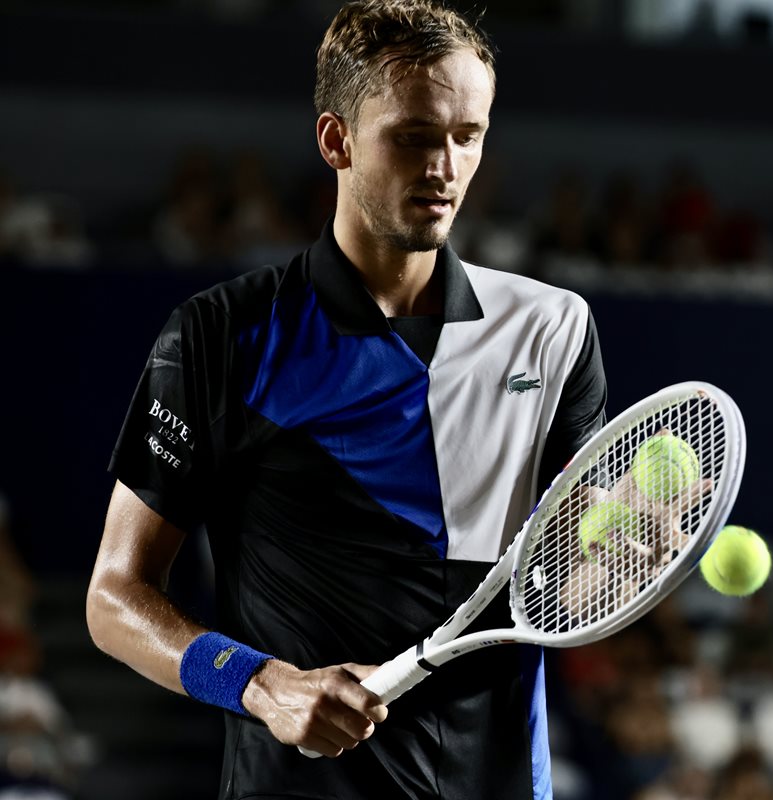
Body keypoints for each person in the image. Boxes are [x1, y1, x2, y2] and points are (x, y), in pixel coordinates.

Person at [85, 3, 607, 798]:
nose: (444, 166)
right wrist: (260, 684)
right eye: (413, 137)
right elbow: (114, 598)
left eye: (468, 136)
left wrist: (622, 559)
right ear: (337, 141)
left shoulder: (553, 330)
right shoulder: (222, 335)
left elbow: (562, 588)